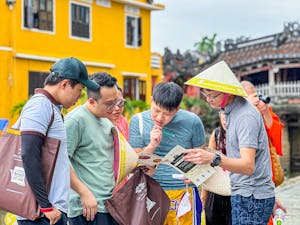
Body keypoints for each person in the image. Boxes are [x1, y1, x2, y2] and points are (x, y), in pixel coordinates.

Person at [184, 61, 275, 225]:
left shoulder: (245, 117)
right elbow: (231, 160)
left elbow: (247, 166)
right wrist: (200, 172)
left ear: (228, 93)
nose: (208, 100)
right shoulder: (231, 112)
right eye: (205, 95)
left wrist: (213, 158)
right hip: (243, 193)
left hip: (252, 197)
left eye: (212, 95)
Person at [18, 57, 99, 225]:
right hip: (41, 215)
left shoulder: (52, 107)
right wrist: (46, 207)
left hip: (50, 212)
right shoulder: (40, 106)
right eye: (79, 89)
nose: (80, 96)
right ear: (64, 84)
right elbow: (28, 155)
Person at [129, 82, 205, 225]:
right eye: (156, 110)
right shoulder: (137, 121)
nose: (159, 118)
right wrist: (152, 145)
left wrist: (197, 174)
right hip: (150, 194)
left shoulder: (193, 122)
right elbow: (135, 164)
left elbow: (202, 157)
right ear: (151, 100)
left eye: (167, 114)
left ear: (177, 109)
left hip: (184, 192)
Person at [65, 72, 122, 225]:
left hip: (108, 204)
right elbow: (60, 161)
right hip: (87, 208)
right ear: (92, 101)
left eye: (118, 101)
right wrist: (84, 193)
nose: (115, 107)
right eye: (110, 103)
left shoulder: (106, 119)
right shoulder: (75, 121)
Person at [241, 80, 287, 225]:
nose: (257, 100)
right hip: (245, 172)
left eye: (256, 95)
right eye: (252, 96)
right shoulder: (237, 113)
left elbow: (275, 135)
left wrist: (265, 111)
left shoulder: (262, 110)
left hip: (264, 167)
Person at [202, 109, 231, 225]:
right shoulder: (216, 134)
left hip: (234, 189)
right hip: (216, 188)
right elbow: (209, 166)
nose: (225, 121)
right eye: (222, 118)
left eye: (227, 118)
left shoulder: (242, 134)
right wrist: (204, 196)